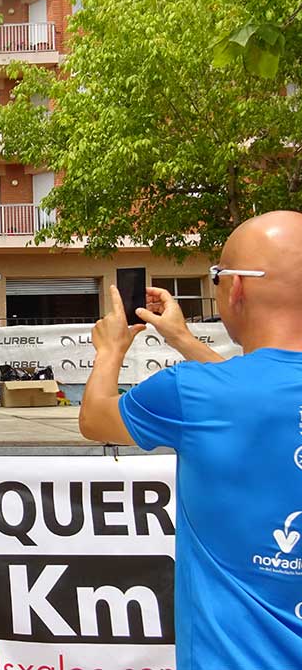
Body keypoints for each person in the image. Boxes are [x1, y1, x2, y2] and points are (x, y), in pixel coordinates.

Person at [79, 210, 302, 670]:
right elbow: (257, 393)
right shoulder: (213, 392)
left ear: (236, 288)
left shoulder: (191, 391)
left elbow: (97, 419)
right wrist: (181, 338)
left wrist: (110, 351)